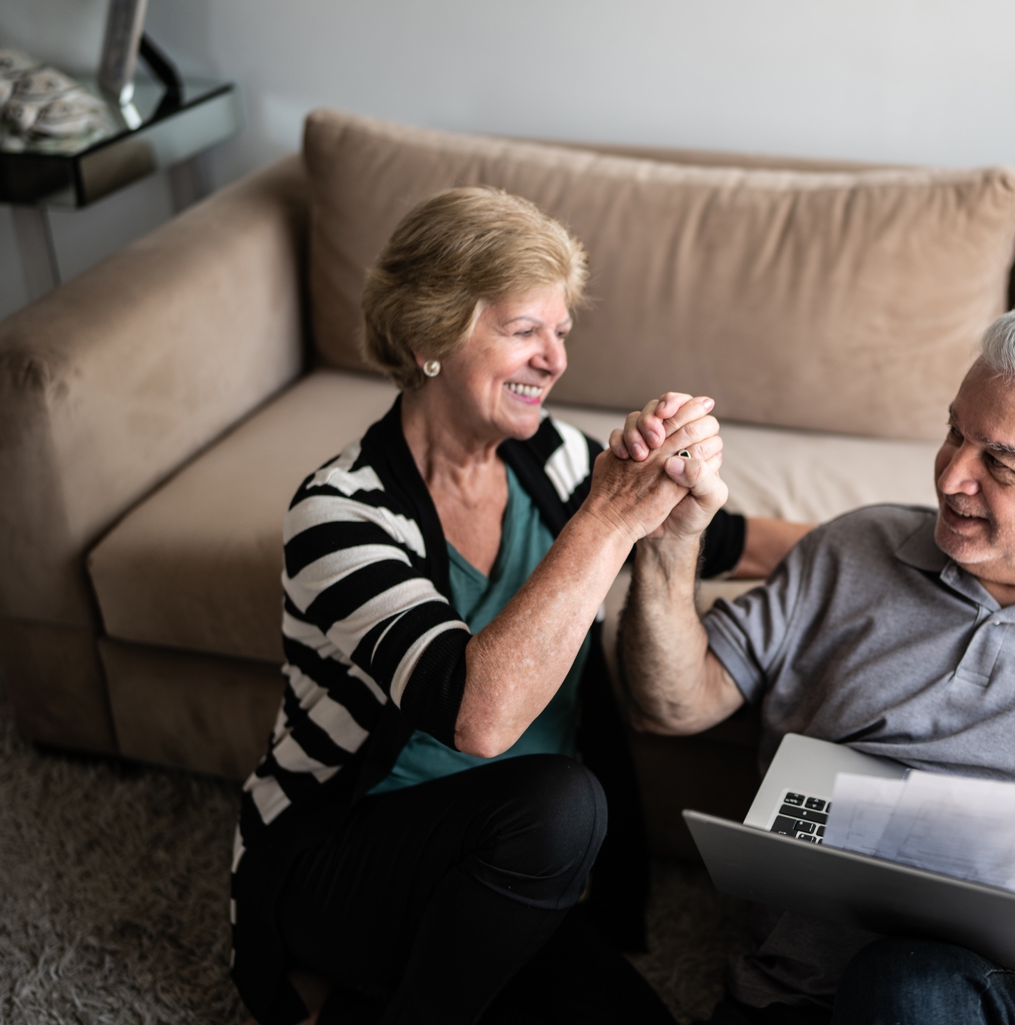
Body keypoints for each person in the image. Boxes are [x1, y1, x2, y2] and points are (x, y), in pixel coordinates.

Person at [229, 185, 810, 1025]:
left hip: (515, 877)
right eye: (524, 329)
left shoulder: (557, 461)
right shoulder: (340, 512)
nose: (555, 360)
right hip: (352, 855)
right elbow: (479, 716)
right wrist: (609, 516)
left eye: (562, 331)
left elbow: (738, 541)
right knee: (563, 802)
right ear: (430, 335)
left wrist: (911, 538)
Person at [615, 303, 1015, 1025]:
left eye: (999, 463)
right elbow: (672, 703)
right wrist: (666, 542)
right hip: (794, 998)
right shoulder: (851, 549)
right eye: (954, 433)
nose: (952, 474)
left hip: (1011, 1002)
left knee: (909, 983)